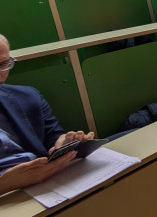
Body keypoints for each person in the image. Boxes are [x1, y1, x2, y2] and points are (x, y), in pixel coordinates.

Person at [0, 34, 96, 195]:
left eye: (4, 64)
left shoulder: (29, 97)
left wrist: (64, 143)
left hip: (47, 185)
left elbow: (53, 140)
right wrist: (4, 185)